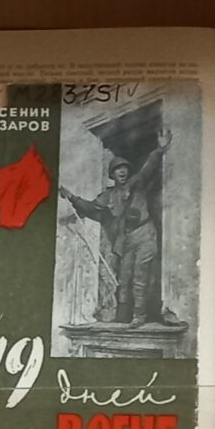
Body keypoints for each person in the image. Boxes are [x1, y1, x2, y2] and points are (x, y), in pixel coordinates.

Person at [61, 127, 172, 327]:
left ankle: (139, 316)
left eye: (124, 168)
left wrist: (160, 150)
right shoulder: (108, 196)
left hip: (145, 234)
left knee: (140, 276)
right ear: (112, 174)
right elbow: (90, 207)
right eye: (117, 169)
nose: (122, 171)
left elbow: (148, 168)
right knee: (124, 278)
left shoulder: (137, 183)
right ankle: (122, 316)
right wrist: (71, 197)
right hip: (127, 239)